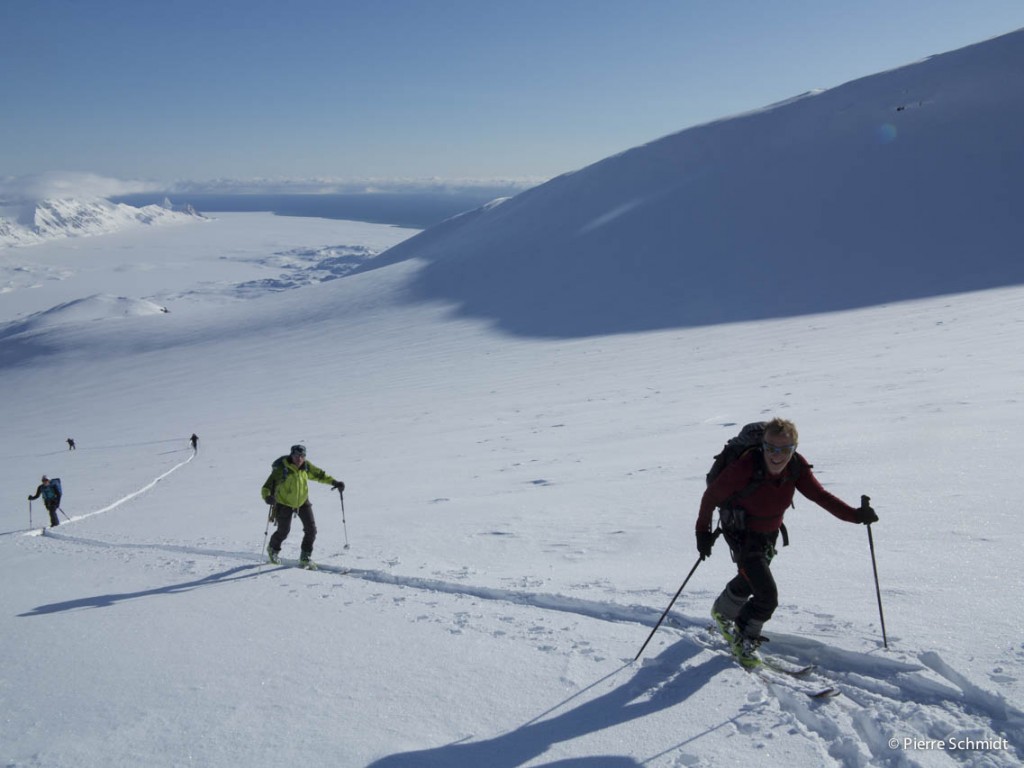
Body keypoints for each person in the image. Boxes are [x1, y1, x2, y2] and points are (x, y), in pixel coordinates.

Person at [695, 417, 878, 666]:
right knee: (767, 596)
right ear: (763, 446)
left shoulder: (796, 467)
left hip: (769, 533)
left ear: (794, 448)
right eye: (771, 448)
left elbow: (820, 496)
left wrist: (855, 516)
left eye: (785, 449)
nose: (776, 455)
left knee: (752, 579)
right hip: (742, 533)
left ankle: (723, 611)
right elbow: (712, 495)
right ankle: (744, 636)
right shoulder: (746, 466)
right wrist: (702, 532)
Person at [261, 444, 344, 567]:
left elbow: (319, 475)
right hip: (284, 503)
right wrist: (267, 497)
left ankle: (305, 556)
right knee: (283, 531)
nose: (299, 458)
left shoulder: (306, 467)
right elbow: (267, 486)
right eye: (296, 455)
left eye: (302, 456)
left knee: (311, 530)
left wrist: (335, 482)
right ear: (292, 455)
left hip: (302, 501)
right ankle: (273, 549)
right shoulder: (282, 469)